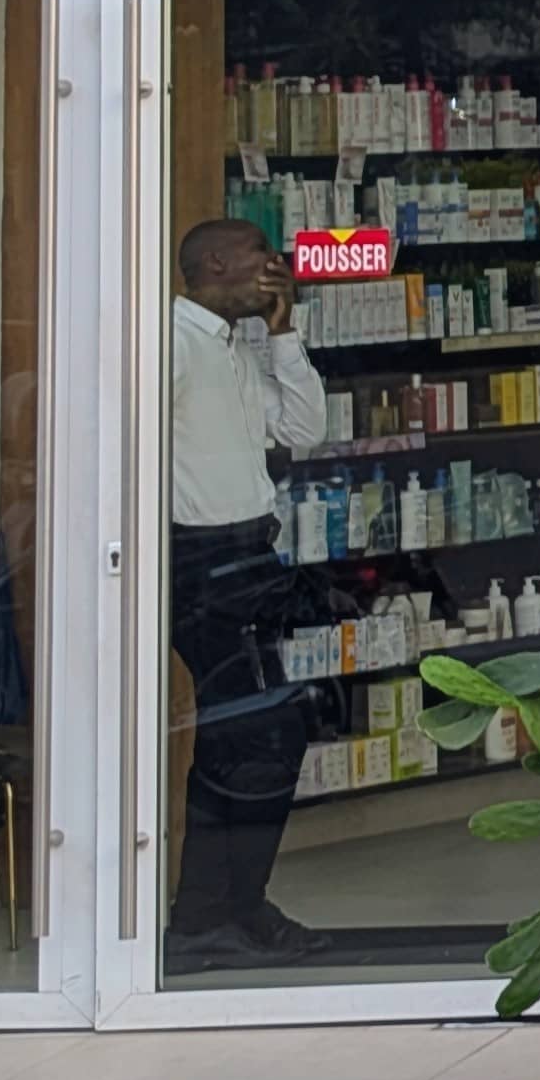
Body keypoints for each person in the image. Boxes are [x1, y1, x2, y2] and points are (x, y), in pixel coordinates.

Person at [159, 213, 342, 962]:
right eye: (259, 257)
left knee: (272, 729)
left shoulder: (240, 346)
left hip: (249, 558)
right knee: (254, 734)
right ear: (215, 266)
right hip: (198, 562)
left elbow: (304, 427)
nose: (275, 267)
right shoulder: (169, 345)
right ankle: (209, 916)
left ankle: (229, 907)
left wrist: (284, 333)